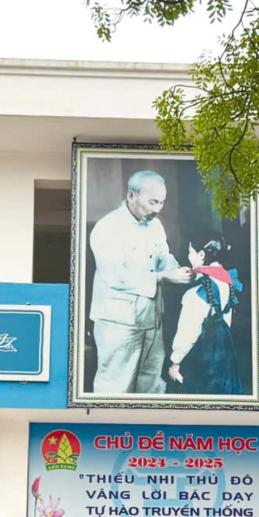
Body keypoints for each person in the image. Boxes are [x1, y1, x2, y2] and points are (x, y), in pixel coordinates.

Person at [85, 167, 192, 395]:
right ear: (131, 195)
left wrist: (175, 269)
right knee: (115, 386)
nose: (157, 209)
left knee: (152, 385)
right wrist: (163, 276)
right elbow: (115, 275)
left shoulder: (155, 224)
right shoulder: (107, 227)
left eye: (161, 203)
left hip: (152, 320)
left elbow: (163, 255)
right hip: (118, 323)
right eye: (152, 202)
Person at [165, 239, 242, 394]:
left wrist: (175, 362)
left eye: (190, 252)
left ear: (201, 255)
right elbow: (227, 321)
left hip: (201, 355)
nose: (188, 257)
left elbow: (188, 333)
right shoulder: (227, 281)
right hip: (224, 351)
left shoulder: (196, 292)